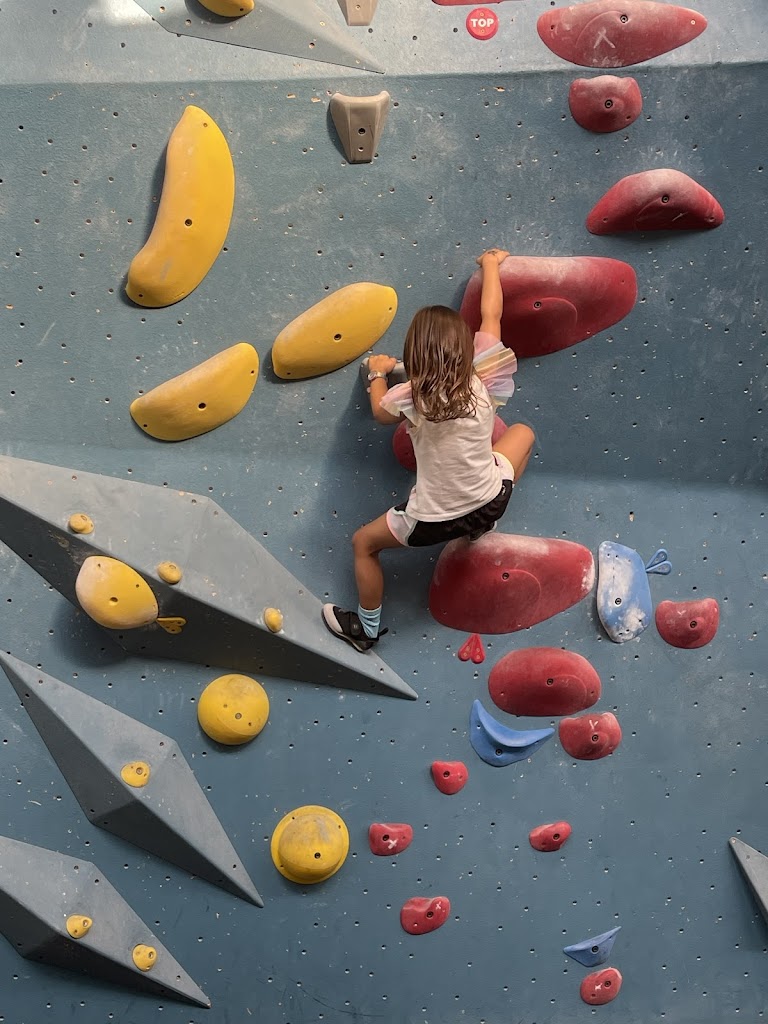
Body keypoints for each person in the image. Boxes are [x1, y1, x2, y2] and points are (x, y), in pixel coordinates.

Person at [322, 249, 535, 652]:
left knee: (363, 544)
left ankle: (366, 631)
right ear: (465, 347)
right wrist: (491, 265)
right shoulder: (484, 375)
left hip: (429, 523)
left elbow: (380, 414)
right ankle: (478, 528)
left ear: (415, 355)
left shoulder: (411, 396)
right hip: (491, 500)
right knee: (522, 432)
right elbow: (491, 315)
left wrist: (378, 373)